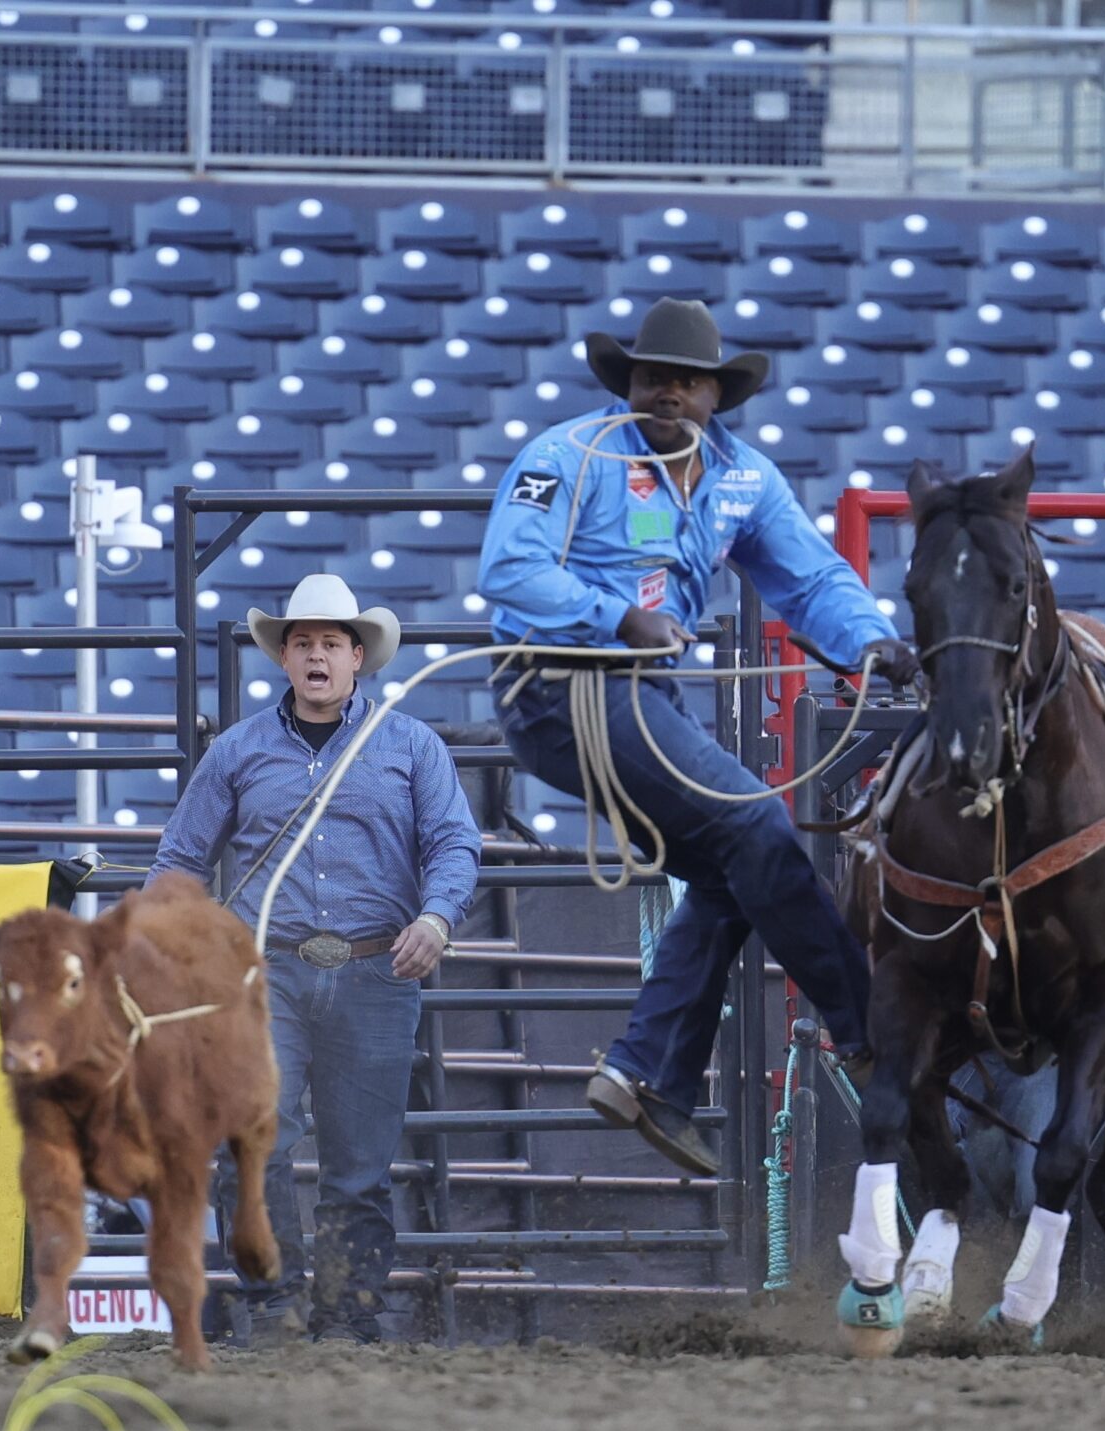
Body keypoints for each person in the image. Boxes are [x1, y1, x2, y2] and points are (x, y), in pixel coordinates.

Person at [475, 297, 916, 1177]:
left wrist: (868, 637)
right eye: (650, 377)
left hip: (640, 699)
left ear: (717, 393)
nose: (667, 392)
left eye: (685, 380)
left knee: (732, 870)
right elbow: (509, 568)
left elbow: (811, 574)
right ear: (627, 384)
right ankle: (868, 1033)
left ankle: (648, 1074)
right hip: (563, 685)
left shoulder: (743, 478)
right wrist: (613, 618)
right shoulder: (568, 455)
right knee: (757, 825)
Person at [149, 573, 483, 1345]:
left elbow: (454, 844)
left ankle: (345, 1313)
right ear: (285, 659)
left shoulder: (411, 745)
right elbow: (181, 860)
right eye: (303, 643)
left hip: (376, 970)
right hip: (266, 975)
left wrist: (437, 916)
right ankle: (274, 1304)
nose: (317, 656)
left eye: (331, 643)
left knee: (359, 1165)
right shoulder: (238, 751)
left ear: (358, 657)